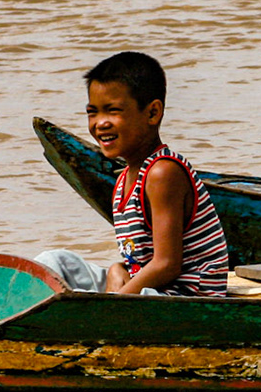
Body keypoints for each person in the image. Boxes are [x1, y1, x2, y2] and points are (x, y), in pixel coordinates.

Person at [33, 51, 231, 296]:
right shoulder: (125, 177)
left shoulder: (163, 172)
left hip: (185, 298)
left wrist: (114, 301)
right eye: (93, 112)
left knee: (106, 295)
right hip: (150, 290)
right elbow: (140, 260)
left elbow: (167, 264)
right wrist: (118, 269)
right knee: (55, 261)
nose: (100, 123)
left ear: (152, 113)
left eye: (113, 111)